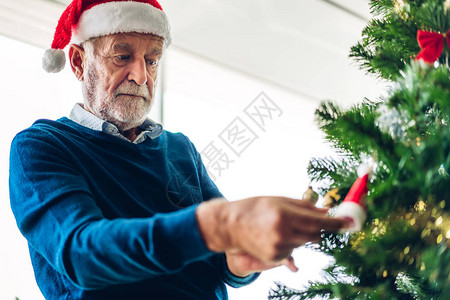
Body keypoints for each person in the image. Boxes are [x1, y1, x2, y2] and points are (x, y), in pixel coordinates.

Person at [9, 0, 348, 299]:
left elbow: (225, 260)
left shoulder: (179, 149)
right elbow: (83, 255)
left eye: (152, 60)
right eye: (122, 56)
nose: (140, 75)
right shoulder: (40, 146)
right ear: (79, 62)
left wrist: (243, 257)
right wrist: (222, 224)